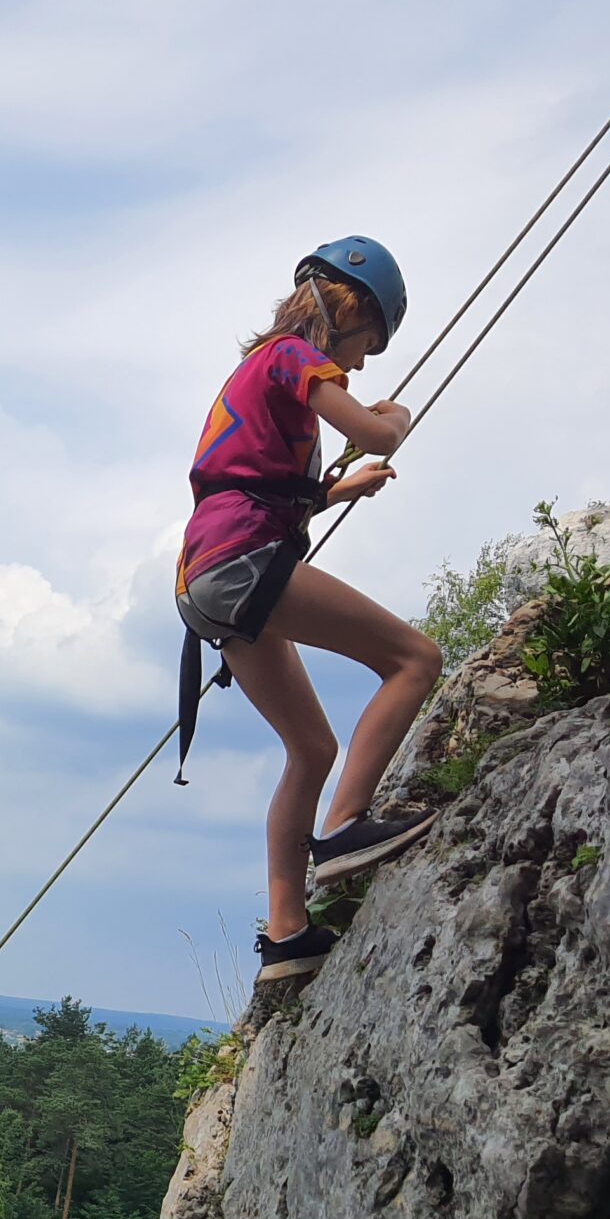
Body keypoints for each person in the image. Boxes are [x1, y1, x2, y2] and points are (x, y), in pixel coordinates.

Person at [173, 235, 445, 982]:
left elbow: (252, 483)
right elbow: (377, 431)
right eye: (367, 344)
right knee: (416, 660)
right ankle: (347, 827)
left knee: (312, 748)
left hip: (209, 578)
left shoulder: (258, 370)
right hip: (242, 563)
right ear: (345, 312)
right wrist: (396, 416)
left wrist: (333, 491)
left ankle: (287, 935)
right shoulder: (293, 356)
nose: (360, 364)